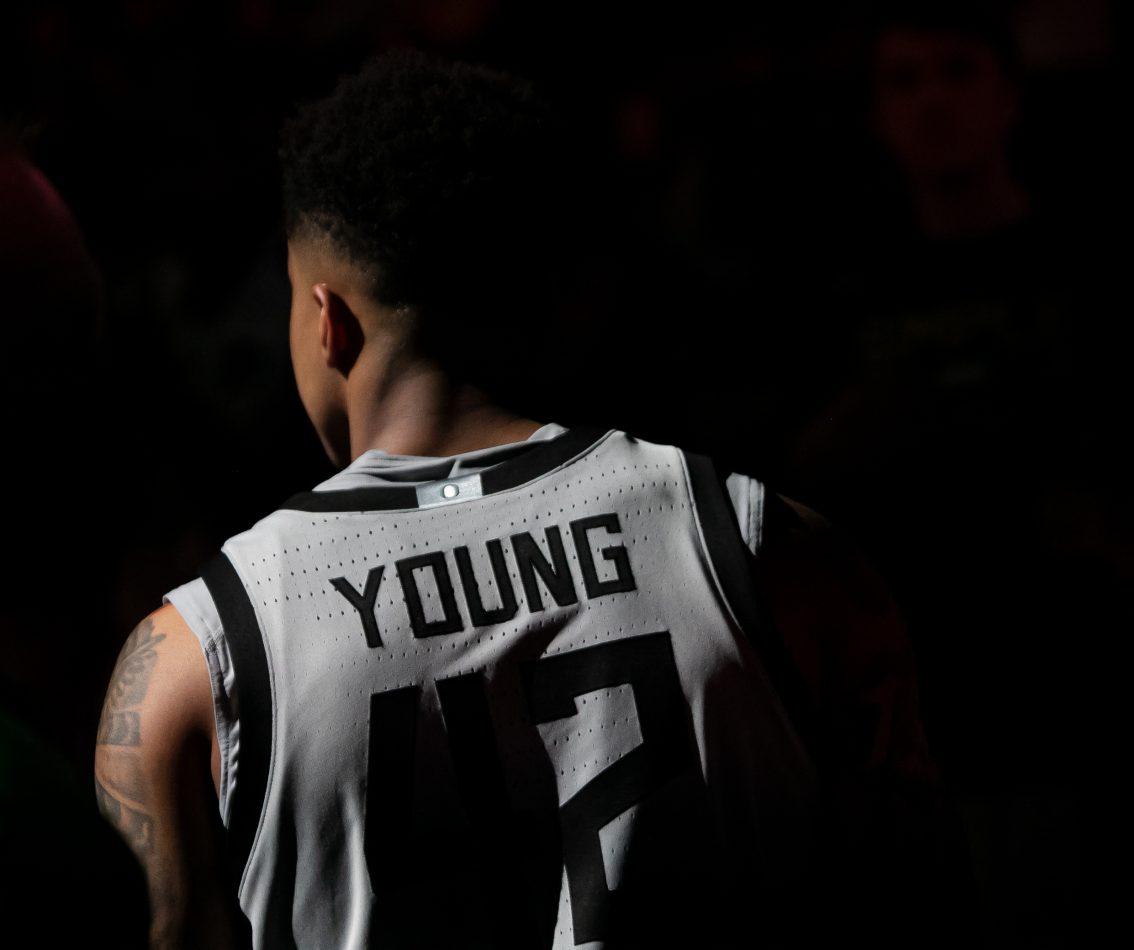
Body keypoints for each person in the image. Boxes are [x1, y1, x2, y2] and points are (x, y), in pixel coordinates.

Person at [94, 49, 970, 948]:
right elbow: (917, 891)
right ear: (554, 299)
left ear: (327, 320)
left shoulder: (192, 658)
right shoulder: (767, 548)